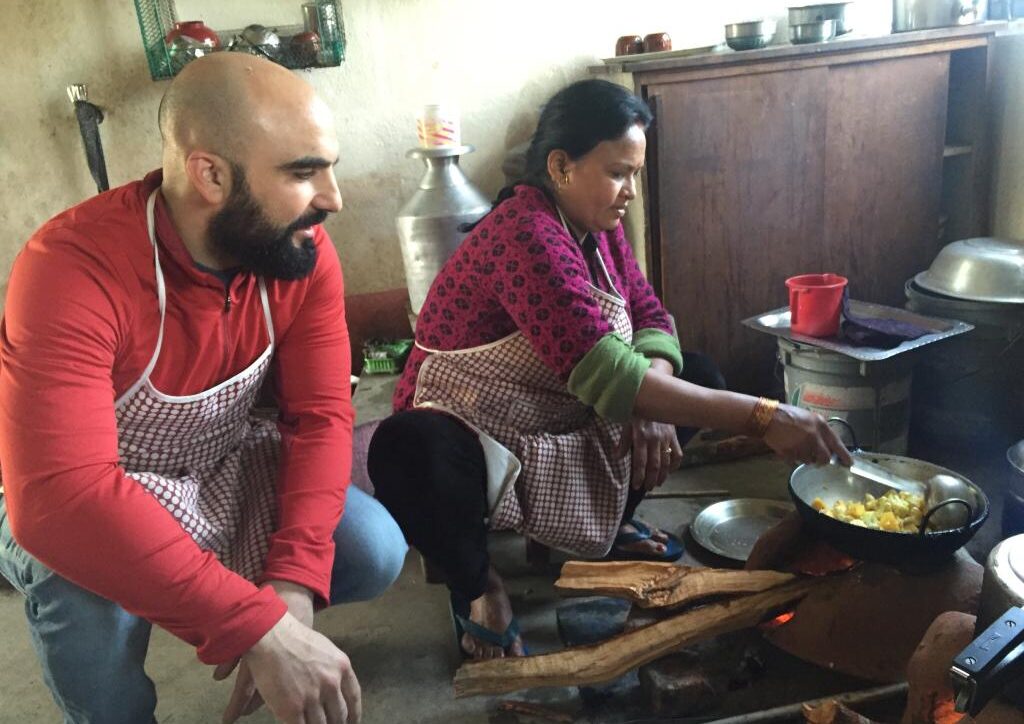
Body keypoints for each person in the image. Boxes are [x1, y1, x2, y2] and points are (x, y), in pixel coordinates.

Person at [367, 78, 851, 660]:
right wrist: (765, 416)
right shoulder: (526, 234)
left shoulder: (599, 229)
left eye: (635, 175)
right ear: (561, 167)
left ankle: (608, 519)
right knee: (408, 448)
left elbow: (650, 315)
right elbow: (612, 378)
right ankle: (479, 587)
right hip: (478, 423)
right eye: (618, 172)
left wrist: (655, 399)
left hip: (554, 404)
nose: (629, 193)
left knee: (698, 373)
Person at [0, 53, 407, 724]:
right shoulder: (71, 269)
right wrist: (252, 625)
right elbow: (61, 495)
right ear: (210, 174)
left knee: (371, 547)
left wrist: (294, 587)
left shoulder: (298, 254)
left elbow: (320, 416)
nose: (333, 198)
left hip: (218, 463)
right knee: (71, 578)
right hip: (85, 489)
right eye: (304, 173)